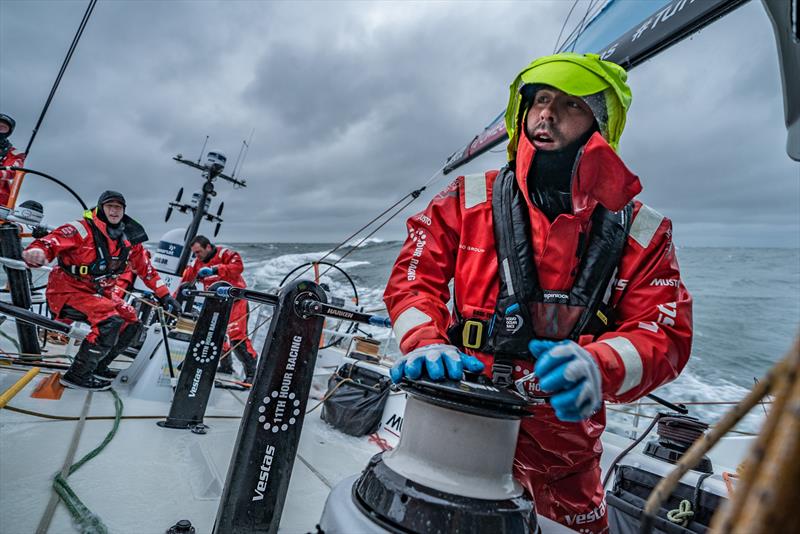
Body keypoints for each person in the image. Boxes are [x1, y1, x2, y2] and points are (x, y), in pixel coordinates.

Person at [383, 53, 692, 533]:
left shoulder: (645, 232)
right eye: (541, 100)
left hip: (566, 451)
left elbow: (666, 332)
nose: (548, 113)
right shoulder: (464, 201)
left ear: (599, 124)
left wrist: (598, 363)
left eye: (571, 104)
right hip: (460, 415)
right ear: (521, 113)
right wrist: (426, 339)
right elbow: (411, 281)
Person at [23, 190, 180, 391]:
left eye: (118, 207)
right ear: (100, 208)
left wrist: (165, 296)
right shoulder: (80, 229)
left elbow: (146, 270)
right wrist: (38, 253)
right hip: (67, 292)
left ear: (124, 211)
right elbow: (50, 242)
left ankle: (98, 366)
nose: (114, 211)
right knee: (110, 320)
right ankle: (77, 375)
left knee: (132, 321)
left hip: (100, 293)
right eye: (110, 206)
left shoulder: (129, 239)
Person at [177, 235, 258, 384]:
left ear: (208, 247)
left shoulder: (225, 254)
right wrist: (175, 298)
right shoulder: (197, 264)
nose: (197, 256)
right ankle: (226, 367)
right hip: (215, 304)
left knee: (236, 336)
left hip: (236, 301)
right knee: (213, 335)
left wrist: (215, 269)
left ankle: (252, 373)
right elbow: (186, 282)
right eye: (194, 253)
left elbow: (238, 267)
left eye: (198, 252)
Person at [0, 113, 26, 208]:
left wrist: (1, 173)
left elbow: (13, 170)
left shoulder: (15, 153)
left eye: (3, 128)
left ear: (8, 132)